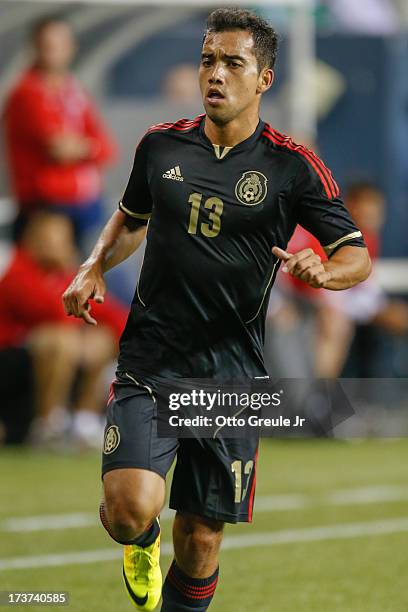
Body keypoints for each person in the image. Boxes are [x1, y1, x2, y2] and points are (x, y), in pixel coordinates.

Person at [63, 8, 371, 611]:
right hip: (152, 359)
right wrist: (94, 264)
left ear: (264, 80)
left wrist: (325, 271)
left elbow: (354, 255)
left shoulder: (292, 166)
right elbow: (132, 217)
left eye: (234, 63)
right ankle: (139, 541)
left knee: (201, 541)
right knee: (128, 512)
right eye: (209, 60)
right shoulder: (159, 146)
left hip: (232, 374)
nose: (217, 74)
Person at [0, 211, 127, 447]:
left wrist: (128, 336)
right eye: (49, 236)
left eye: (61, 237)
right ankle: (48, 425)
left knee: (104, 338)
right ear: (31, 238)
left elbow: (109, 311)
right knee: (62, 339)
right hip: (10, 360)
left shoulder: (69, 274)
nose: (56, 243)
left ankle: (84, 422)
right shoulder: (17, 271)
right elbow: (53, 311)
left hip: (55, 356)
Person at [3, 16, 117, 247]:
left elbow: (107, 149)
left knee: (113, 267)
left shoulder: (74, 91)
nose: (54, 52)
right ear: (36, 47)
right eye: (48, 45)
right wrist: (88, 147)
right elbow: (60, 149)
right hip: (47, 209)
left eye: (60, 44)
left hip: (85, 203)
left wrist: (84, 147)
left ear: (71, 48)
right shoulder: (27, 93)